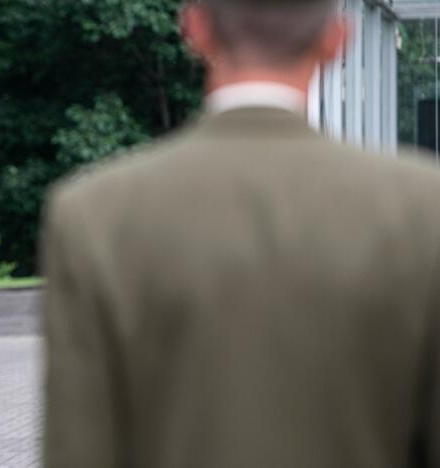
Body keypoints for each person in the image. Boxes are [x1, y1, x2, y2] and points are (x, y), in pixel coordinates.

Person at [41, 1, 440, 467]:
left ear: (194, 28)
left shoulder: (94, 214)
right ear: (337, 39)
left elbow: (80, 448)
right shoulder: (421, 207)